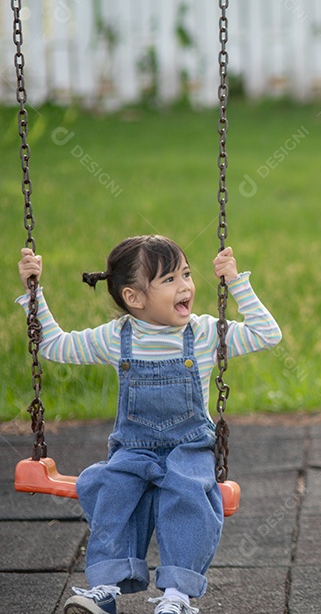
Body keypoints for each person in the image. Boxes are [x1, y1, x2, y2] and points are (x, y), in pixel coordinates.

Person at [16, 236, 282, 614]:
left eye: (186, 274)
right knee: (110, 489)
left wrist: (236, 282)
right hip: (134, 448)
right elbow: (54, 345)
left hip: (189, 448)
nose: (186, 286)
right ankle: (105, 589)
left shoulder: (205, 334)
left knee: (188, 494)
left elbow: (267, 334)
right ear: (134, 298)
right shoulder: (116, 337)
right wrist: (33, 292)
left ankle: (177, 596)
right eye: (170, 279)